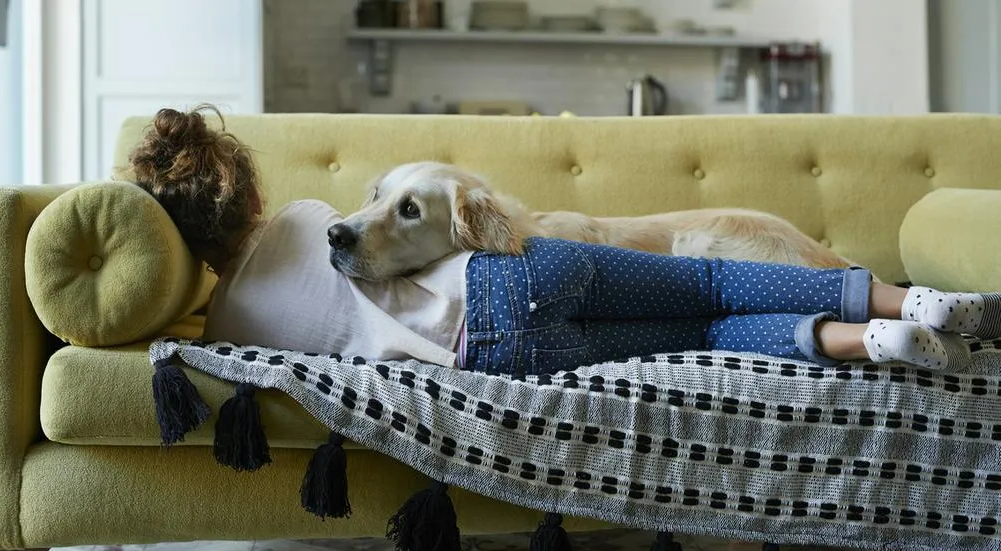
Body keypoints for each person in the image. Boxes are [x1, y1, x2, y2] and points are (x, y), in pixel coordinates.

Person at [122, 106, 1001, 377]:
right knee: (714, 289)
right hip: (531, 274)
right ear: (251, 188)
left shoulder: (232, 326)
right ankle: (898, 302)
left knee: (706, 337)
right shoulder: (314, 218)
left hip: (502, 358)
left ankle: (873, 341)